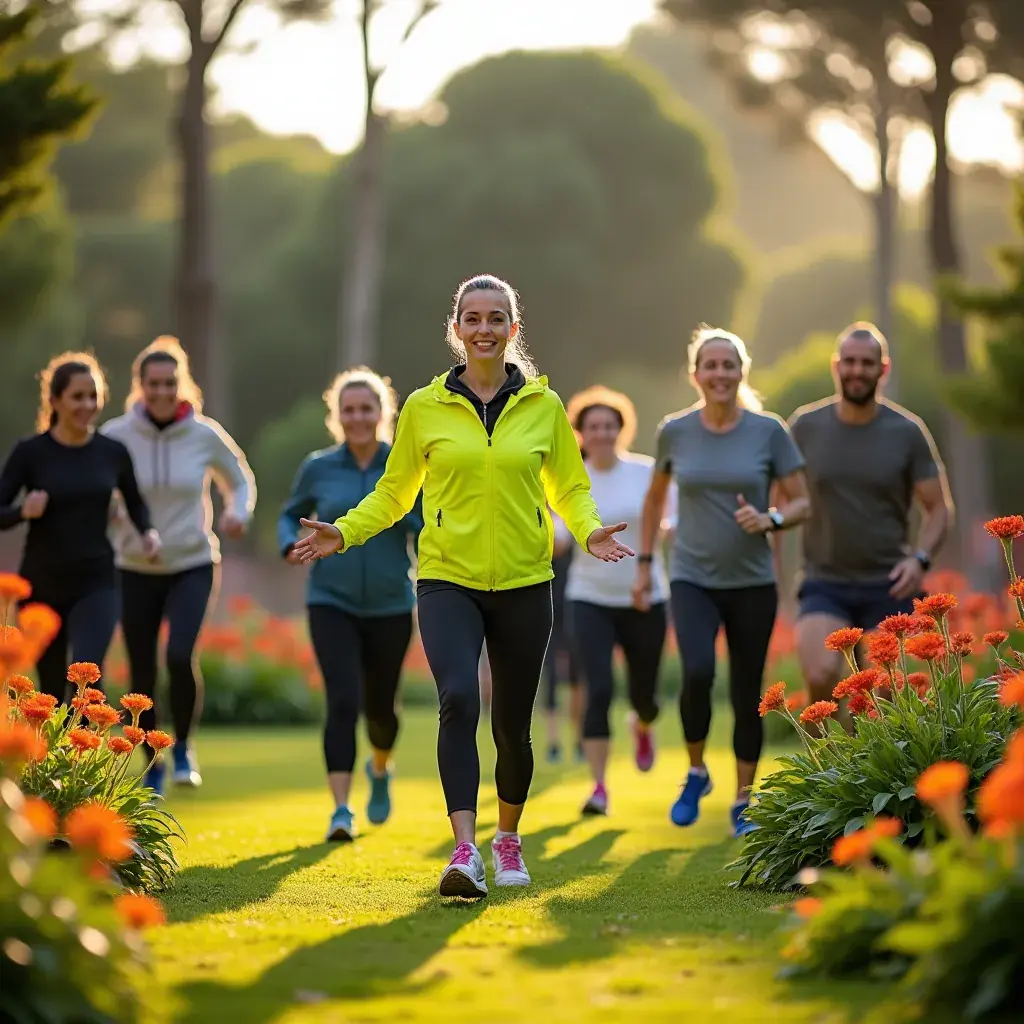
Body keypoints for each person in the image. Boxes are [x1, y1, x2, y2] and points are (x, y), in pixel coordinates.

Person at [292, 273, 633, 899]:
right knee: (457, 698)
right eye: (472, 318)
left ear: (513, 329)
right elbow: (394, 495)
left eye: (495, 318)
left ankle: (508, 840)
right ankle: (464, 850)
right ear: (456, 329)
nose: (483, 329)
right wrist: (343, 532)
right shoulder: (425, 408)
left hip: (527, 582)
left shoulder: (545, 408)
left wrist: (587, 533)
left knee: (512, 724)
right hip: (448, 578)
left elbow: (570, 489)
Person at [635, 325, 810, 838]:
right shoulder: (675, 431)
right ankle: (696, 772)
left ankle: (743, 799)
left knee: (745, 691)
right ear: (695, 374)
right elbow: (652, 501)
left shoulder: (769, 431)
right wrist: (645, 565)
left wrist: (771, 519)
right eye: (710, 365)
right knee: (696, 672)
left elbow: (801, 501)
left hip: (752, 581)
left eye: (728, 365)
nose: (719, 374)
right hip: (691, 577)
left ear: (741, 372)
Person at [101, 337, 255, 794]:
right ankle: (152, 761)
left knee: (178, 653)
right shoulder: (116, 435)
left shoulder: (204, 433)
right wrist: (108, 521)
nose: (163, 392)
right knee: (143, 668)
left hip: (192, 562)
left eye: (171, 383)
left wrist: (237, 513)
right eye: (154, 384)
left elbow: (239, 479)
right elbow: (96, 490)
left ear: (182, 384)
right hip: (133, 566)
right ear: (140, 386)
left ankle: (184, 745)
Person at [279, 367, 421, 842]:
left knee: (381, 708)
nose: (358, 417)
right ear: (336, 416)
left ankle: (380, 767)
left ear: (384, 414)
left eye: (367, 409)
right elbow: (288, 512)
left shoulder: (403, 466)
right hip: (330, 599)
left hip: (390, 603)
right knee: (342, 700)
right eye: (349, 410)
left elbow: (424, 526)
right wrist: (287, 543)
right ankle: (341, 810)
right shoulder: (318, 466)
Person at [789, 322, 952, 705]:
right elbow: (781, 499)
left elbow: (940, 508)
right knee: (819, 674)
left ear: (883, 369)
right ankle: (830, 763)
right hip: (824, 581)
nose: (857, 370)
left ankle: (876, 765)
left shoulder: (907, 431)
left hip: (891, 581)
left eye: (866, 362)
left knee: (891, 689)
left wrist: (920, 560)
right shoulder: (805, 427)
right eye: (849, 361)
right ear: (836, 366)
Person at [0, 352, 159, 700]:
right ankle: (57, 756)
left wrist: (148, 532)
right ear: (55, 400)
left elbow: (135, 501)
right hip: (42, 583)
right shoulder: (31, 453)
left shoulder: (112, 452)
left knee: (85, 676)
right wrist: (21, 511)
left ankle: (85, 749)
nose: (87, 405)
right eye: (77, 396)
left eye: (93, 396)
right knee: (52, 690)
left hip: (96, 581)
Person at [558, 385, 674, 817]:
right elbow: (556, 527)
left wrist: (673, 530)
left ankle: (642, 724)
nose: (603, 433)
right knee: (598, 689)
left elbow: (671, 513)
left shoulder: (646, 472)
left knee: (645, 694)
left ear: (622, 430)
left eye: (610, 425)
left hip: (645, 597)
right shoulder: (570, 478)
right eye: (594, 426)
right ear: (581, 433)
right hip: (588, 598)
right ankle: (599, 787)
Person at [542, 541, 584, 765]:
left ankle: (578, 741)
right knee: (550, 677)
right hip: (547, 611)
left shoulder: (572, 520)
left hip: (573, 610)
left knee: (577, 678)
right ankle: (553, 742)